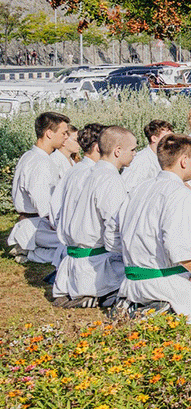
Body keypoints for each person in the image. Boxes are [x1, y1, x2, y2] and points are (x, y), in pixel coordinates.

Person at [109, 135, 191, 322]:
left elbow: (113, 233)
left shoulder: (139, 188)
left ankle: (137, 306)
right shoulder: (180, 193)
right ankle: (163, 308)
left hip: (131, 282)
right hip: (164, 282)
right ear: (183, 161)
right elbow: (179, 249)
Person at [52, 126, 136, 307]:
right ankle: (97, 293)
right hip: (95, 263)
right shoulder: (109, 178)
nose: (135, 154)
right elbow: (115, 227)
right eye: (133, 149)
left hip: (74, 257)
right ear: (117, 151)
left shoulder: (88, 172)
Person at [6, 111, 72, 265]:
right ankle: (29, 252)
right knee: (76, 244)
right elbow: (43, 204)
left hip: (37, 223)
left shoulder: (34, 156)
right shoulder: (39, 162)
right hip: (37, 225)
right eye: (63, 133)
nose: (66, 137)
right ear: (49, 133)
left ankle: (28, 249)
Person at [122, 120, 174, 190]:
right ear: (154, 138)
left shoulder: (163, 158)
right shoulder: (141, 160)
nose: (171, 142)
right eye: (167, 138)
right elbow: (128, 187)